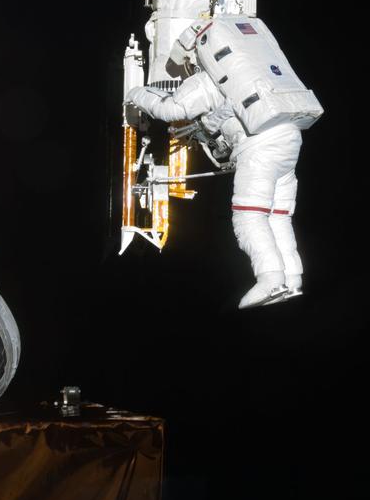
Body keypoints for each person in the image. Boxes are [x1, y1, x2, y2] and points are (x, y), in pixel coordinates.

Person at [126, 32, 305, 310]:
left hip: (259, 147)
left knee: (249, 217)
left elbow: (172, 108)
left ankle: (270, 279)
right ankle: (292, 278)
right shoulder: (251, 71)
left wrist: (135, 93)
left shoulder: (208, 79)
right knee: (278, 215)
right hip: (289, 137)